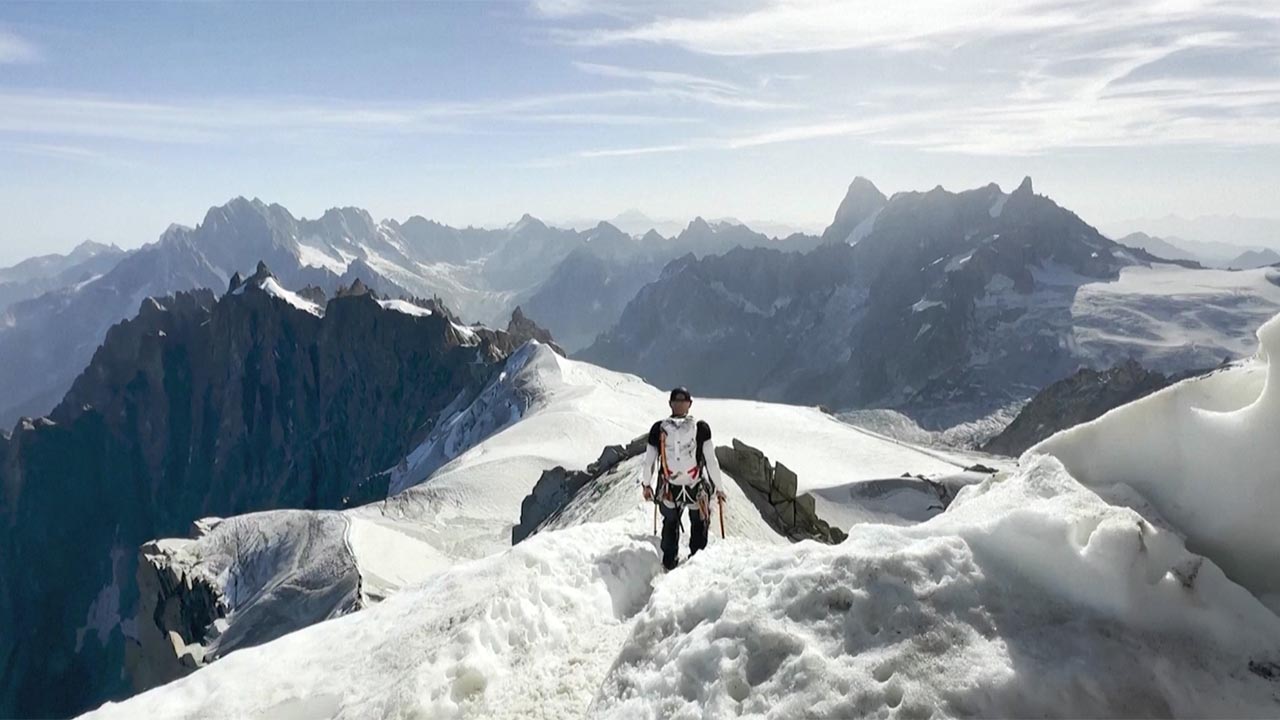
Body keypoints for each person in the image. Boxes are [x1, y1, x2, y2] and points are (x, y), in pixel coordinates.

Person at [641, 386, 727, 570]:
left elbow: (648, 462)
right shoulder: (701, 429)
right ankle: (696, 562)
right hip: (695, 486)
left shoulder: (658, 429)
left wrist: (646, 485)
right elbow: (711, 461)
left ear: (670, 404)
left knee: (670, 522)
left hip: (670, 488)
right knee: (698, 523)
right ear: (690, 404)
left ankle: (669, 562)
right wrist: (719, 489)